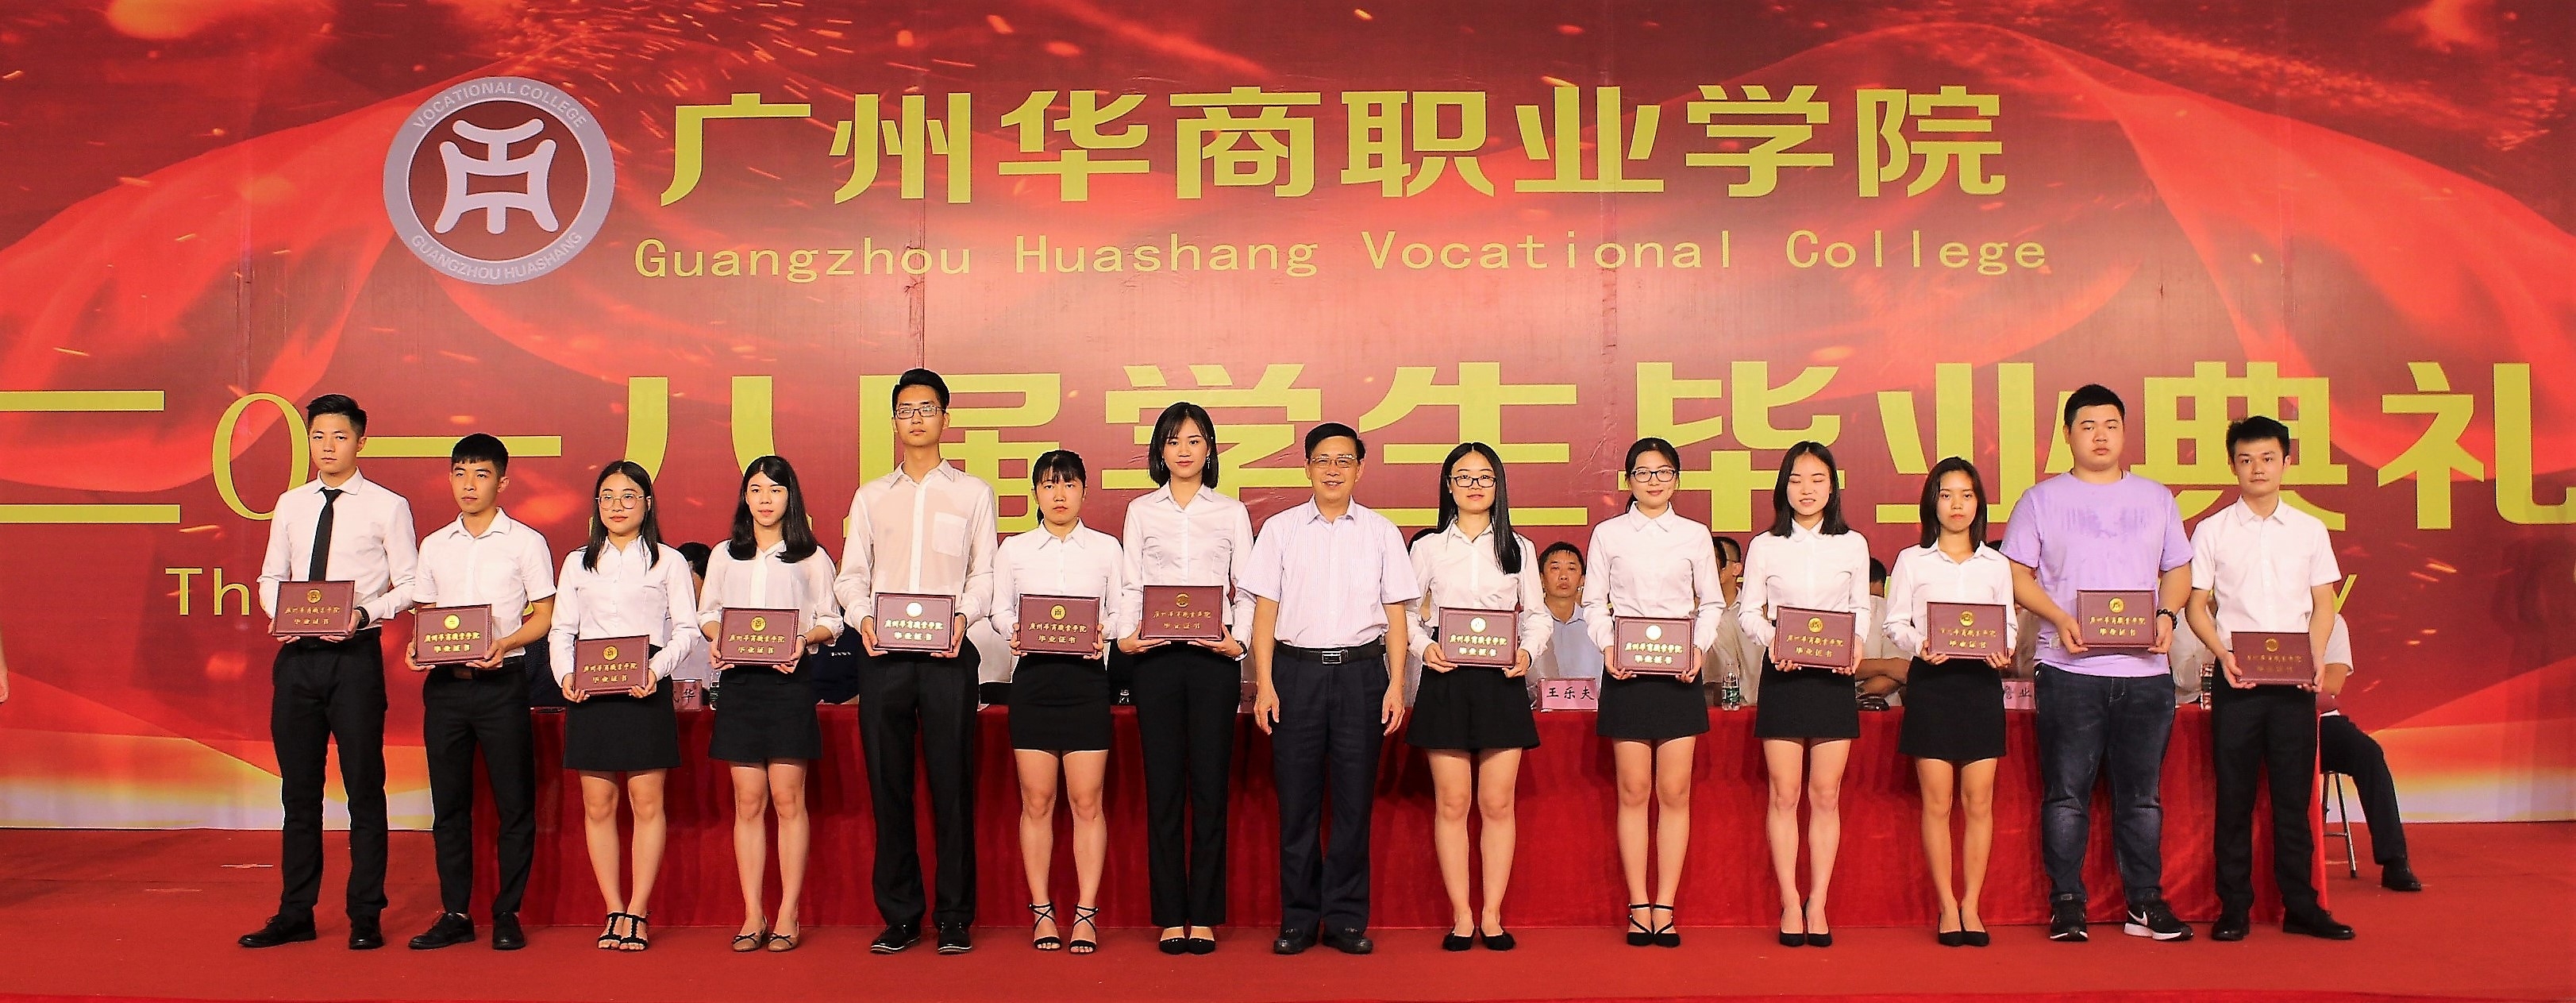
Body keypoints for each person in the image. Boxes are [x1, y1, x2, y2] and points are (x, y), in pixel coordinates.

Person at [2000, 384, 2195, 943]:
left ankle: (2144, 902)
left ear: (2124, 432)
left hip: (2145, 674)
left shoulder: (2156, 498)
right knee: (2066, 794)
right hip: (2069, 672)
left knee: (2142, 797)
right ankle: (2066, 902)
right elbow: (2016, 575)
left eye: (2110, 425)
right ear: (2067, 435)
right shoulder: (2040, 500)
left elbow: (2178, 569)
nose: (2100, 436)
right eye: (2087, 426)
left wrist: (2166, 614)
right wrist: (2058, 617)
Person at [240, 394, 417, 951]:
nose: (328, 447)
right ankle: (296, 911)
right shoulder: (290, 504)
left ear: (361, 441)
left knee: (364, 786)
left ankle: (366, 913)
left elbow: (412, 584)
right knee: (298, 792)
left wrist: (364, 613)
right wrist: (280, 613)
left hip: (354, 658)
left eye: (339, 436)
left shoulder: (388, 506)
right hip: (297, 661)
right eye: (318, 436)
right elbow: (271, 576)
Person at [833, 368, 999, 956]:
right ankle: (901, 914)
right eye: (906, 409)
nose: (916, 418)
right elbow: (851, 574)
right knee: (889, 785)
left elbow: (984, 572)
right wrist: (862, 618)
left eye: (927, 408)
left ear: (946, 418)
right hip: (884, 657)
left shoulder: (972, 493)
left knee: (953, 786)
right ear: (894, 422)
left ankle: (954, 915)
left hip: (950, 655)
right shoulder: (872, 496)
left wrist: (964, 618)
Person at [1247, 422, 1420, 957]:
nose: (1332, 469)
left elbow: (1396, 616)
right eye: (1322, 459)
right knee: (1296, 803)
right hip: (1295, 675)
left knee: (1353, 803)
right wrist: (1264, 683)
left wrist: (1395, 684)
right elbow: (1264, 613)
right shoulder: (1279, 530)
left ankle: (1345, 918)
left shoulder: (1381, 533)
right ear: (1306, 468)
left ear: (1360, 469)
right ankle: (1298, 919)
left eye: (1344, 460)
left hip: (1360, 675)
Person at [2185, 416, 2352, 942]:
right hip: (2238, 681)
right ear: (2231, 465)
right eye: (2245, 459)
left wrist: (2315, 657)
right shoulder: (2211, 530)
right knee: (2233, 800)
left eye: (2267, 458)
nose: (2257, 468)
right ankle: (2233, 907)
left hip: (2294, 686)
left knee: (2292, 802)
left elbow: (2324, 604)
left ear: (2285, 461)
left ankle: (2301, 906)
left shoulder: (2309, 529)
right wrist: (2221, 654)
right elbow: (2196, 605)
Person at [404, 434, 554, 952]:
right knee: (449, 806)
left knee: (515, 802)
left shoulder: (525, 542)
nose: (469, 484)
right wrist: (418, 647)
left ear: (502, 481)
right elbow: (426, 614)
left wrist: (506, 643)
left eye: (481, 473)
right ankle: (455, 913)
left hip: (501, 684)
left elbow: (546, 614)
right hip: (446, 689)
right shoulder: (434, 544)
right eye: (460, 472)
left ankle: (508, 912)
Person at [1117, 402, 1256, 955]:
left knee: (1210, 787)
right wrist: (1126, 636)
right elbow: (1130, 584)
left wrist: (1239, 641)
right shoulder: (1140, 511)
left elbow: (1246, 587)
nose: (1183, 450)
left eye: (1194, 440)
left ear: (1209, 449)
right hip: (1155, 661)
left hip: (1212, 661)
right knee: (1164, 787)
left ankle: (1205, 914)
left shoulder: (1230, 512)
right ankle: (1171, 913)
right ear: (1160, 450)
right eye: (1173, 441)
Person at [549, 460, 697, 952]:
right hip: (590, 688)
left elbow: (687, 629)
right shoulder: (577, 562)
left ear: (647, 504)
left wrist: (657, 670)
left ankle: (638, 909)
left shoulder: (668, 561)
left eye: (629, 496)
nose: (617, 506)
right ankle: (613, 908)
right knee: (598, 805)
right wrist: (565, 675)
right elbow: (562, 629)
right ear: (597, 505)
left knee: (647, 803)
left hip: (644, 685)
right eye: (608, 497)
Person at [1405, 443, 1548, 951]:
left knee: (1496, 802)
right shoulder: (1428, 548)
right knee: (1452, 802)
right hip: (1445, 680)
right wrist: (1423, 647)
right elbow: (1403, 612)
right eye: (1463, 477)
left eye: (1484, 477)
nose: (1474, 485)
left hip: (1501, 683)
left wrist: (1527, 652)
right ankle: (1461, 916)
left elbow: (1538, 616)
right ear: (1448, 486)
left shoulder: (1519, 547)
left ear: (1498, 485)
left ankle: (1492, 915)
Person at [1582, 438, 1723, 949]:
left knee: (1675, 792)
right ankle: (1638, 904)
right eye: (1643, 472)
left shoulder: (1694, 535)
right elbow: (1594, 602)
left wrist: (1698, 648)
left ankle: (1666, 904)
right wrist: (1607, 646)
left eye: (1664, 472)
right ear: (1629, 480)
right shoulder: (1609, 534)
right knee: (1633, 790)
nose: (1654, 481)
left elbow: (1711, 603)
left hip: (1679, 674)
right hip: (1627, 673)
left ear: (1677, 480)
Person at [698, 456, 841, 953]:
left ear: (790, 497)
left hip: (788, 684)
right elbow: (708, 613)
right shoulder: (725, 555)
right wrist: (716, 637)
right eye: (756, 489)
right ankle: (752, 913)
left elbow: (832, 619)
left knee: (788, 799)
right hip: (740, 686)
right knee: (748, 802)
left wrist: (804, 639)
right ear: (745, 497)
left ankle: (788, 914)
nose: (765, 499)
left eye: (775, 490)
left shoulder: (811, 556)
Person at [1739, 441, 1872, 948]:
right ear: (1783, 487)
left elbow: (1860, 608)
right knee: (1784, 793)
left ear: (1833, 487)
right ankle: (1790, 901)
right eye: (1796, 480)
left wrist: (1857, 642)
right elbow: (1749, 611)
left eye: (1818, 479)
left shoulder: (1852, 545)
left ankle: (1819, 901)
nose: (1807, 489)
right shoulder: (1765, 546)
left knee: (1825, 794)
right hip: (1784, 674)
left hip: (1833, 678)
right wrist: (1773, 639)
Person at [993, 449, 1125, 955]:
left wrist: (1103, 632)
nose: (1060, 494)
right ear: (1036, 493)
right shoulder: (1015, 550)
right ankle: (1043, 912)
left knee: (1087, 802)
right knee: (1037, 801)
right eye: (1049, 485)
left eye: (1069, 484)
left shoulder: (1106, 549)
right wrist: (1015, 630)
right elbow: (999, 610)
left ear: (1084, 491)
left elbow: (1123, 609)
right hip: (1034, 683)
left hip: (1087, 682)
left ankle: (1087, 913)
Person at [1882, 457, 2016, 948]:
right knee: (1937, 803)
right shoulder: (1912, 560)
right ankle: (1946, 906)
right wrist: (1919, 645)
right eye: (1946, 494)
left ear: (1978, 503)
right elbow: (1894, 623)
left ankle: (1972, 905)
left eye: (1966, 494)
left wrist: (2004, 649)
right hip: (1933, 684)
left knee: (1979, 801)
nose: (1956, 504)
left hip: (1980, 686)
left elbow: (2009, 624)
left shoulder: (1996, 564)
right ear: (1931, 503)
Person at [2316, 615, 2420, 891]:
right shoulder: (2259, 613)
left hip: (2320, 721)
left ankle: (2394, 860)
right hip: (2266, 719)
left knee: (2369, 754)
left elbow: (2332, 683)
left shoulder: (2332, 622)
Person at [1535, 542, 1601, 681]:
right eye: (1555, 568)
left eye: (1571, 569)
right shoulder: (1524, 625)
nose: (1564, 576)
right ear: (1541, 579)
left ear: (1582, 580)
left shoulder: (1597, 625)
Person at [1855, 560, 1912, 710]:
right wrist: (1886, 666)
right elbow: (1899, 670)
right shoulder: (1891, 612)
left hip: (1836, 705)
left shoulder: (1827, 612)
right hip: (1882, 712)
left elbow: (1901, 670)